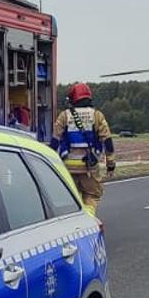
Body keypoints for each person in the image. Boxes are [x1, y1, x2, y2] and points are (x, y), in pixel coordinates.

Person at [52, 83, 115, 213]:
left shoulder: (64, 116)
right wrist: (110, 163)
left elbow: (55, 141)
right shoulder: (97, 116)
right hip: (89, 168)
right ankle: (88, 219)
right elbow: (107, 141)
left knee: (69, 200)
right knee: (92, 196)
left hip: (68, 168)